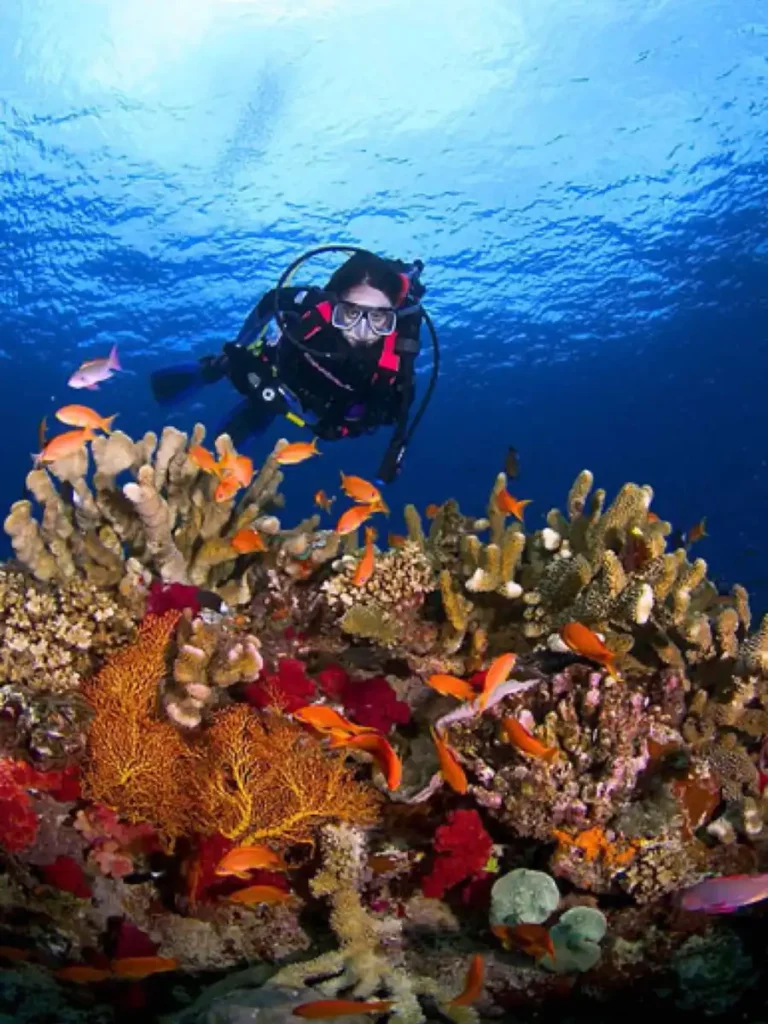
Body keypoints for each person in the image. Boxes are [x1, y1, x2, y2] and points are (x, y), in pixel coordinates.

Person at [150, 249, 429, 484]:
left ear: (393, 320)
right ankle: (211, 368)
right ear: (333, 305)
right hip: (279, 369)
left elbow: (384, 415)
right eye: (351, 313)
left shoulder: (394, 360)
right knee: (237, 376)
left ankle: (213, 468)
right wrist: (240, 347)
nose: (362, 331)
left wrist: (337, 427)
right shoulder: (313, 308)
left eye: (379, 319)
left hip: (312, 405)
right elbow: (269, 302)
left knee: (254, 417)